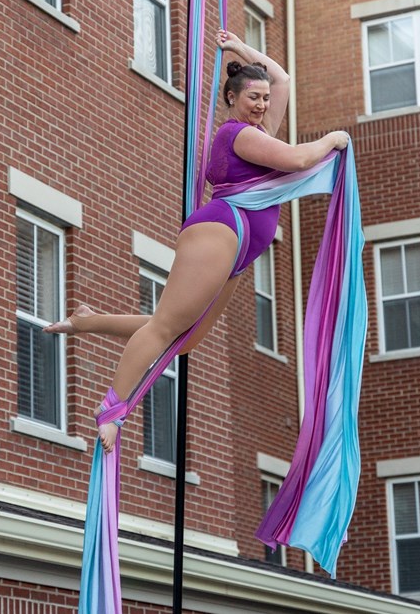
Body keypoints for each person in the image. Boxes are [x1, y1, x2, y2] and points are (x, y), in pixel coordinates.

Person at [44, 29, 350, 454]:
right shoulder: (238, 135)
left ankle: (87, 321)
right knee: (166, 326)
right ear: (231, 99)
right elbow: (301, 158)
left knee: (184, 339)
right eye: (252, 98)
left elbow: (282, 79)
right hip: (222, 231)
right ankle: (111, 412)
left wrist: (241, 49)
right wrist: (335, 139)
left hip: (239, 251)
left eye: (263, 98)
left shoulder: (262, 131)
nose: (262, 104)